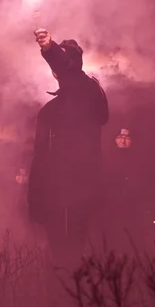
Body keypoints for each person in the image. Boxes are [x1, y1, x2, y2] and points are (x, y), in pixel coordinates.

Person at [27, 30, 109, 265]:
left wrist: (49, 48)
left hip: (81, 193)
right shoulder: (48, 112)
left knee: (78, 258)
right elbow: (39, 158)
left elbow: (70, 70)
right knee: (59, 261)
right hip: (53, 199)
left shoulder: (87, 93)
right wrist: (36, 200)